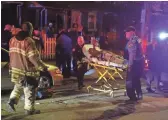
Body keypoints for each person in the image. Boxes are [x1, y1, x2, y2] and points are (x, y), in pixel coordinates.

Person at [7, 22, 47, 115]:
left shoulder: (12, 40)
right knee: (29, 90)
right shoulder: (28, 41)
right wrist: (42, 67)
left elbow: (11, 54)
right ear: (30, 29)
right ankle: (29, 110)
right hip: (26, 71)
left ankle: (11, 101)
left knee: (17, 86)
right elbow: (33, 58)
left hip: (15, 70)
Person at [125, 26, 144, 101]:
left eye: (127, 32)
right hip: (138, 63)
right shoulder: (136, 39)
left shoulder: (132, 41)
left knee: (130, 81)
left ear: (131, 33)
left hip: (134, 64)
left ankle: (132, 96)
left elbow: (132, 55)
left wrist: (130, 65)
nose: (126, 34)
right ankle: (139, 94)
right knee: (136, 79)